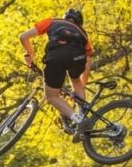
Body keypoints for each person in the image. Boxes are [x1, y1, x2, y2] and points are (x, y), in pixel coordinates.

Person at [18, 8, 93, 141]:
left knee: (52, 96)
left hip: (56, 57)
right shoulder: (83, 35)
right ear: (80, 23)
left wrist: (30, 54)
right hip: (78, 58)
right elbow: (86, 69)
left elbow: (23, 37)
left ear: (64, 18)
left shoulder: (52, 22)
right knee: (75, 80)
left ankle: (78, 120)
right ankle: (82, 112)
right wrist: (79, 91)